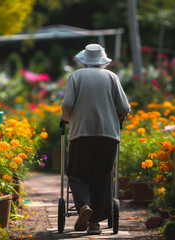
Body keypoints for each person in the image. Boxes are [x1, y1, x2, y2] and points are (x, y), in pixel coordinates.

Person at [60, 43, 130, 235]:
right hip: (108, 135)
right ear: (102, 61)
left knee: (77, 174)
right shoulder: (112, 77)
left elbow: (67, 104)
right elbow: (124, 107)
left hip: (81, 134)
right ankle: (94, 224)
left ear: (84, 60)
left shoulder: (75, 76)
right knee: (102, 177)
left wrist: (66, 118)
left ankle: (83, 207)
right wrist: (118, 118)